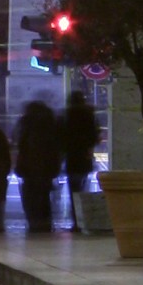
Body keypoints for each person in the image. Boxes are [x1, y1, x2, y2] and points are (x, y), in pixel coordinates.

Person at [16, 99, 61, 232]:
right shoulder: (50, 125)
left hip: (29, 169)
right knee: (44, 196)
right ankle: (45, 223)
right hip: (47, 169)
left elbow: (21, 146)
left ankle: (34, 222)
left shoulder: (26, 125)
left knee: (30, 197)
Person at [60, 89, 101, 229]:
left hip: (72, 157)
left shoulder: (67, 115)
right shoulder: (89, 115)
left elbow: (61, 137)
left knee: (74, 190)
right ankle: (84, 219)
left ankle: (76, 221)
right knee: (84, 189)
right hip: (84, 157)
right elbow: (94, 136)